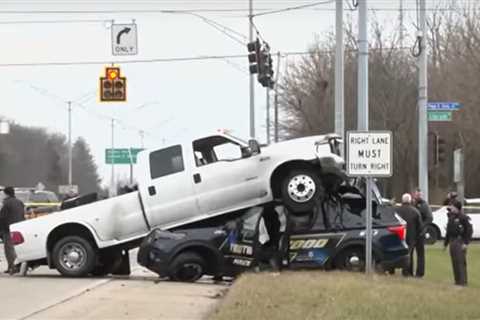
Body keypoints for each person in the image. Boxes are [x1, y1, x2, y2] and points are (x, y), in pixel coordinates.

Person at [444, 200, 473, 286]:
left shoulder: (463, 217)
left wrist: (466, 243)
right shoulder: (451, 217)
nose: (451, 208)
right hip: (452, 241)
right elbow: (448, 231)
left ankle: (463, 282)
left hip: (460, 241)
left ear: (457, 208)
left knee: (460, 261)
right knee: (454, 262)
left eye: (452, 206)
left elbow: (469, 230)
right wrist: (446, 243)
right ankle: (457, 281)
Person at [0, 187, 26, 275]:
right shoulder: (19, 202)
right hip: (19, 228)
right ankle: (14, 266)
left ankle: (13, 267)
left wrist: (1, 230)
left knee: (9, 249)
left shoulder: (6, 203)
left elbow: (2, 218)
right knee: (17, 248)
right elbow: (23, 215)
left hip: (8, 229)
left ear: (6, 193)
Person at [396, 193, 423, 277]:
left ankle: (393, 269)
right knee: (409, 254)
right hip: (411, 236)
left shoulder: (397, 211)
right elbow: (420, 226)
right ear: (410, 200)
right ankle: (408, 272)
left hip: (398, 235)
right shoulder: (415, 211)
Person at [412, 188, 432, 278]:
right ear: (414, 195)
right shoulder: (412, 204)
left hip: (420, 233)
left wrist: (422, 227)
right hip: (411, 232)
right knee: (410, 252)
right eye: (417, 194)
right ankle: (408, 271)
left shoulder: (424, 205)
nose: (418, 196)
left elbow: (429, 218)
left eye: (419, 195)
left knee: (420, 254)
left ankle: (420, 273)